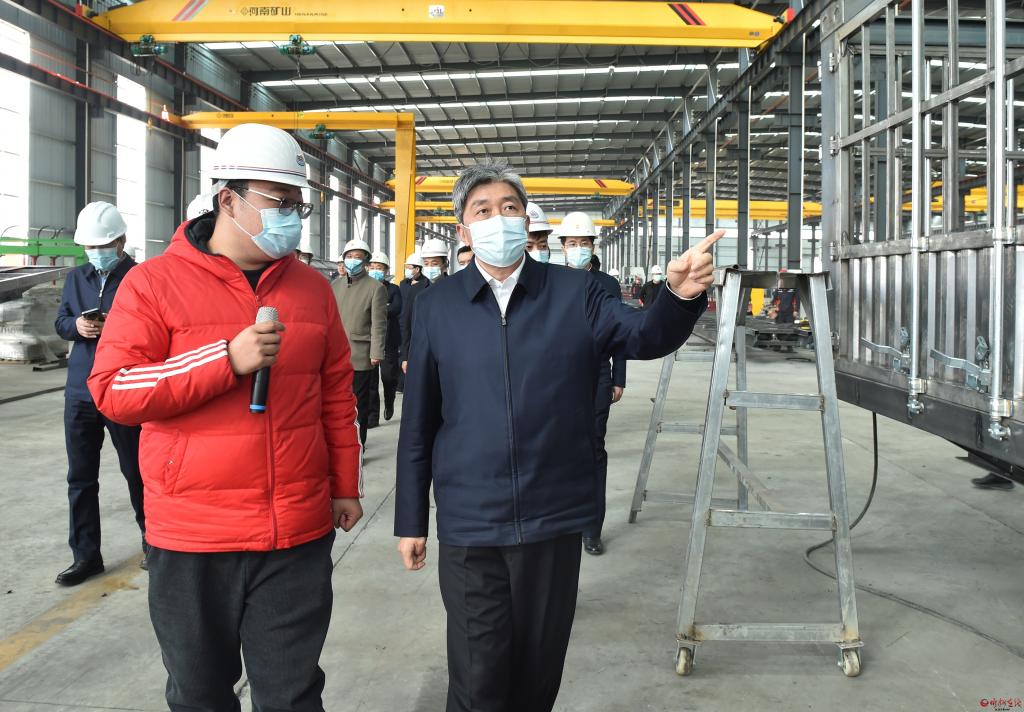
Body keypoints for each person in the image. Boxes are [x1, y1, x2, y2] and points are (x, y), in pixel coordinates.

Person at [396, 162, 722, 712]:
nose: (498, 218)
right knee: (477, 676)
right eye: (482, 210)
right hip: (470, 521)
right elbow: (419, 421)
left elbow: (643, 335)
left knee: (537, 673)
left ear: (526, 221)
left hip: (552, 516)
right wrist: (411, 520)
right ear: (463, 230)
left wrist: (678, 296)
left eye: (509, 207)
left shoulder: (578, 293)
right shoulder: (437, 305)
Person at [87, 122, 364, 712]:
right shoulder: (153, 284)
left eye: (296, 204)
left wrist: (344, 486)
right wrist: (223, 359)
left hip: (295, 532)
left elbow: (336, 397)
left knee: (292, 695)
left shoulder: (313, 289)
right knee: (200, 695)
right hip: (193, 536)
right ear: (228, 200)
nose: (290, 216)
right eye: (277, 201)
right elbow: (114, 389)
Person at [53, 201, 146, 586]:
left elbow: (154, 329)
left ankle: (155, 544)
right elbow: (61, 322)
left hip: (123, 388)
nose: (96, 252)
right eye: (90, 246)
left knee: (138, 472)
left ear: (121, 241)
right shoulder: (77, 278)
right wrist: (76, 327)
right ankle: (86, 556)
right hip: (80, 393)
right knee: (80, 478)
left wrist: (117, 331)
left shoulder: (141, 278)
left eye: (103, 245)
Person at [559, 211, 628, 556]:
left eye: (583, 243)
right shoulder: (552, 281)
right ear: (562, 246)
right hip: (557, 376)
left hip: (598, 373)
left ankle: (591, 529)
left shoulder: (608, 285)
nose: (578, 248)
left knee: (593, 450)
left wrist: (619, 377)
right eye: (572, 243)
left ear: (593, 246)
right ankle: (561, 523)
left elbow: (620, 332)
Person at [332, 238, 387, 446]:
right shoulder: (335, 285)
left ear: (365, 261)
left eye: (357, 257)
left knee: (358, 405)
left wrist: (376, 352)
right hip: (335, 355)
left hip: (360, 356)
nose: (352, 260)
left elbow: (378, 324)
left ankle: (359, 445)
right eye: (349, 256)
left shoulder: (375, 288)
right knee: (336, 403)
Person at [401, 238, 449, 373]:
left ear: (445, 264)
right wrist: (405, 356)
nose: (430, 267)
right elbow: (406, 324)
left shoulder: (454, 288)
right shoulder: (416, 291)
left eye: (435, 263)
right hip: (421, 351)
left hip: (448, 351)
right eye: (426, 263)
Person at [366, 251, 402, 425]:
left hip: (389, 340)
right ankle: (372, 417)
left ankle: (389, 401)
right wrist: (383, 308)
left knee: (388, 377)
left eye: (379, 267)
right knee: (371, 381)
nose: (375, 270)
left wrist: (376, 310)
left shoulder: (394, 289)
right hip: (370, 340)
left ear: (386, 270)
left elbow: (396, 309)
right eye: (372, 267)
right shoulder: (365, 288)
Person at [399, 251, 430, 378]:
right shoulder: (403, 284)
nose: (407, 270)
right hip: (402, 323)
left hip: (415, 324)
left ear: (417, 269)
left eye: (409, 268)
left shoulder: (425, 285)